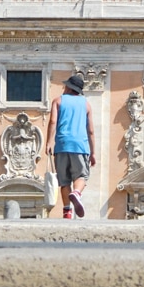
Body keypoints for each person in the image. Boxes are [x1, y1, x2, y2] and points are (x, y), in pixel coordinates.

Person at [46, 74, 96, 219]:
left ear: (68, 87)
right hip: (80, 145)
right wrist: (93, 153)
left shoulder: (58, 101)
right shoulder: (86, 105)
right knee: (81, 176)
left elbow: (53, 122)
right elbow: (91, 130)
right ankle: (77, 193)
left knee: (64, 180)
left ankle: (67, 211)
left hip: (61, 145)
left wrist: (49, 142)